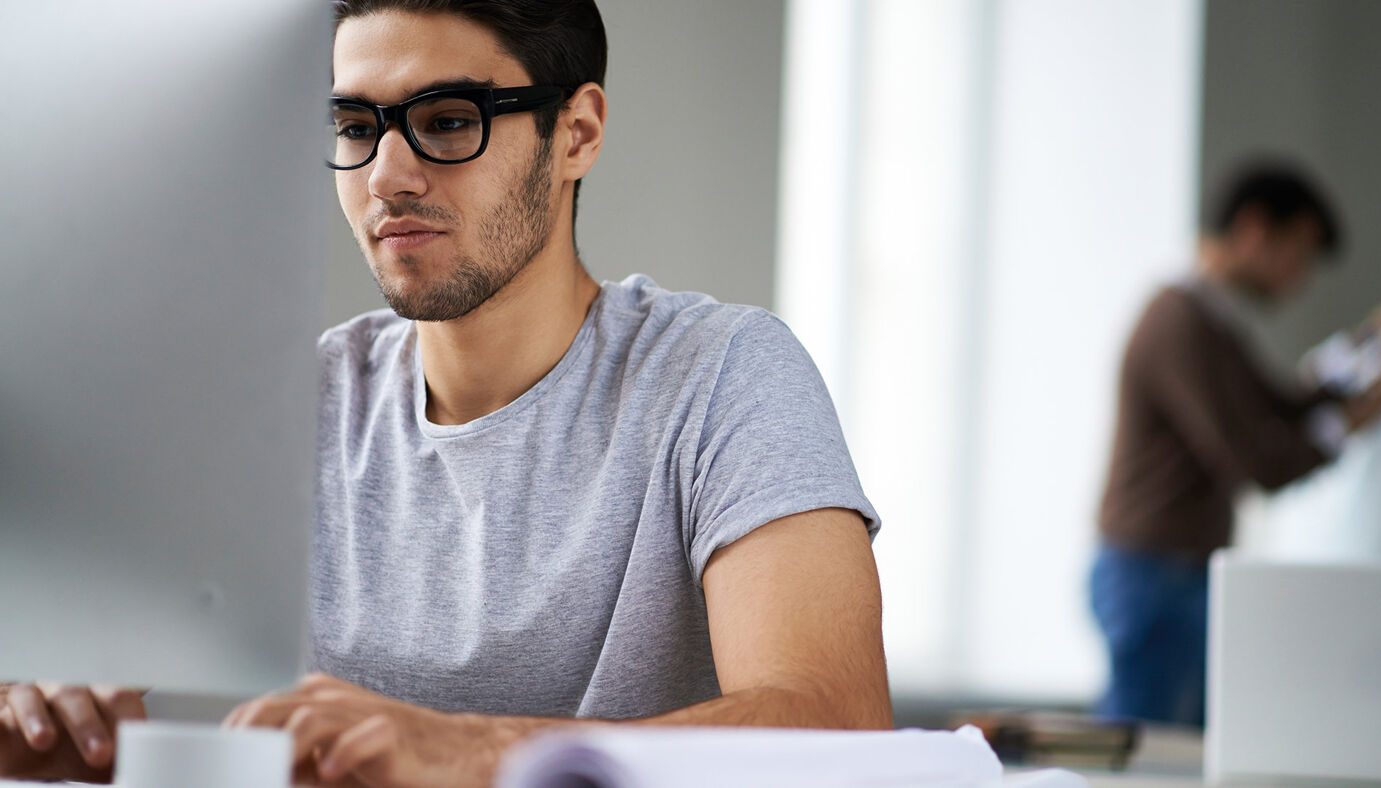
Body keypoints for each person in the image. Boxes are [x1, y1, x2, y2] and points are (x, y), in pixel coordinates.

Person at [0, 1, 891, 785]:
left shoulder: (722, 373)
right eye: (355, 126)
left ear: (576, 132)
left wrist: (468, 753)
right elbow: (73, 648)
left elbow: (838, 726)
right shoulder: (289, 406)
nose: (387, 175)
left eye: (450, 119)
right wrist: (41, 713)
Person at [1091, 162, 1381, 726]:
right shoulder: (1180, 323)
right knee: (1143, 761)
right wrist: (1364, 413)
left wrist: (1369, 342)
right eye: (1298, 254)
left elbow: (1286, 402)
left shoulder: (1207, 319)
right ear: (1255, 229)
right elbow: (1259, 460)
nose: (1300, 277)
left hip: (1173, 575)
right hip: (1155, 578)